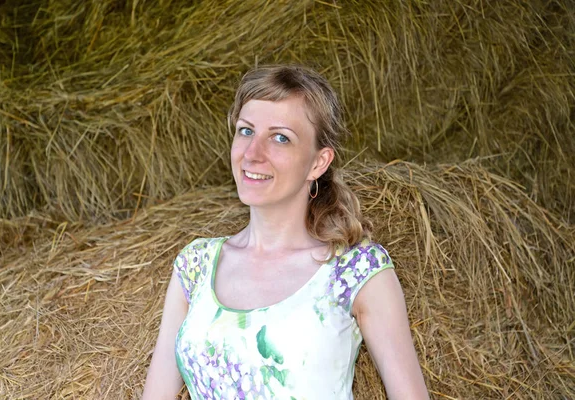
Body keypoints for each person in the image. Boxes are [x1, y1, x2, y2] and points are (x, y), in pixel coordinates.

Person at [142, 65, 429, 400]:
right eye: (246, 131)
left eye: (280, 138)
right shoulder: (196, 265)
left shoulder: (355, 271)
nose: (252, 154)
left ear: (318, 163)